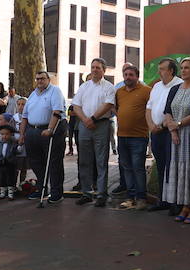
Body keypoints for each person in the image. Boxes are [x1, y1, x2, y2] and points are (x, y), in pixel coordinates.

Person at [162, 57, 190, 223]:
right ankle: (185, 204)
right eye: (182, 67)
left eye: (187, 68)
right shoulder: (175, 89)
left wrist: (178, 125)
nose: (184, 70)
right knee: (179, 170)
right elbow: (167, 111)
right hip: (175, 136)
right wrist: (172, 129)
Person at [72, 58, 116, 208]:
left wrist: (93, 118)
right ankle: (86, 193)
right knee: (84, 160)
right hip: (84, 126)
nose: (95, 70)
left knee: (101, 161)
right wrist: (85, 120)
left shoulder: (109, 87)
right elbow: (76, 105)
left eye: (98, 67)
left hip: (101, 125)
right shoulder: (84, 87)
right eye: (93, 67)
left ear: (104, 70)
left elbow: (108, 104)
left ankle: (102, 194)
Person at [22, 70, 66, 204]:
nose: (39, 81)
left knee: (53, 162)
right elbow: (24, 116)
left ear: (48, 80)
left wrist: (50, 129)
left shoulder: (55, 91)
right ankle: (41, 188)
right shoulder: (33, 94)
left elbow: (57, 111)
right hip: (33, 130)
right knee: (35, 161)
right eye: (37, 79)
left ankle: (57, 192)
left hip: (51, 130)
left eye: (42, 78)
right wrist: (22, 134)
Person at [144, 58, 181, 214]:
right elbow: (148, 108)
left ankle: (175, 202)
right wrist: (151, 126)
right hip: (156, 132)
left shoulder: (179, 84)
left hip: (170, 131)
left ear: (171, 70)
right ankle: (163, 199)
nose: (159, 71)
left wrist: (163, 125)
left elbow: (176, 110)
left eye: (162, 69)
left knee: (172, 167)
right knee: (160, 166)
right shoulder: (157, 86)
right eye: (159, 68)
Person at [113, 63, 151, 210]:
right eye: (126, 75)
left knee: (138, 168)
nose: (128, 77)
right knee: (127, 168)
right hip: (122, 136)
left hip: (139, 137)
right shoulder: (119, 92)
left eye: (131, 75)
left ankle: (141, 198)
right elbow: (116, 108)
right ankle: (130, 197)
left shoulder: (147, 91)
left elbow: (152, 109)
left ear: (137, 76)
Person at [0, 125, 19, 199]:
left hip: (10, 163)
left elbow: (17, 152)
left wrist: (18, 148)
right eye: (3, 134)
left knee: (10, 177)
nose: (4, 136)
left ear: (11, 134)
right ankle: (2, 192)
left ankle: (10, 193)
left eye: (7, 134)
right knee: (1, 177)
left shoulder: (13, 144)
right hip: (1, 163)